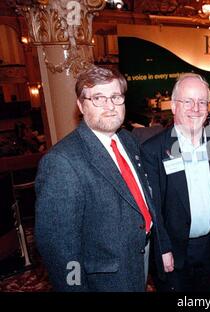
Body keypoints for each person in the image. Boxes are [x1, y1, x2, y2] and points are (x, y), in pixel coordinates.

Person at [35, 66, 162, 291]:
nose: (110, 106)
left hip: (139, 257)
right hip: (103, 279)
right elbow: (59, 251)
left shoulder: (128, 140)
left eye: (115, 97)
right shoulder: (62, 161)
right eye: (98, 98)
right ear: (81, 105)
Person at [141, 73, 210, 292]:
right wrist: (162, 248)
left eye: (202, 102)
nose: (196, 108)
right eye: (188, 101)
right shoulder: (153, 150)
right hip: (175, 248)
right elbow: (153, 208)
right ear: (174, 106)